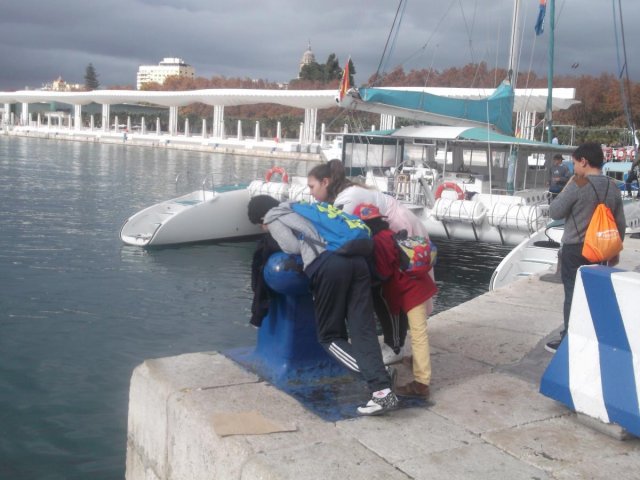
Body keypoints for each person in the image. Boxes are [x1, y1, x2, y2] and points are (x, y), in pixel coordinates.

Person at [247, 195, 399, 416]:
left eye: (261, 226)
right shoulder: (303, 207)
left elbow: (291, 247)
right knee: (362, 329)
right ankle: (382, 389)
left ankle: (379, 380)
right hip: (357, 260)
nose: (264, 228)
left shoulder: (274, 216)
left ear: (261, 217)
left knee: (329, 336)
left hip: (329, 266)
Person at [307, 160, 435, 364]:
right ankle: (396, 343)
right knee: (389, 292)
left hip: (397, 233)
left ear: (325, 182)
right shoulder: (348, 192)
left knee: (390, 292)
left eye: (312, 186)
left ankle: (395, 346)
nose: (311, 192)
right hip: (391, 236)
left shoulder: (348, 197)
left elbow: (337, 231)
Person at [546, 143, 626, 353]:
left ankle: (569, 341)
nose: (573, 169)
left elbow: (555, 211)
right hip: (601, 250)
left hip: (575, 249)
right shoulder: (612, 185)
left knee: (573, 295)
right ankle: (591, 337)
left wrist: (568, 184)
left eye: (574, 163)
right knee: (594, 295)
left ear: (584, 161)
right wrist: (615, 251)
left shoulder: (579, 182)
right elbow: (620, 223)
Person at [353, 203, 437, 399]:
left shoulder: (378, 241)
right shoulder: (390, 233)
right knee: (418, 331)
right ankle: (418, 362)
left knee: (418, 333)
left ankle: (421, 382)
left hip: (411, 290)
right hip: (419, 284)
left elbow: (383, 272)